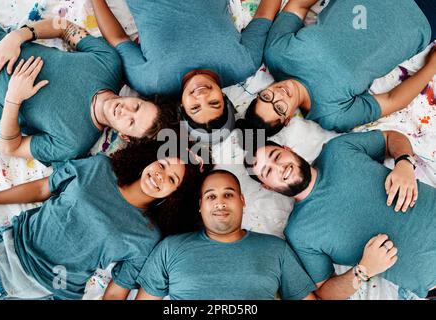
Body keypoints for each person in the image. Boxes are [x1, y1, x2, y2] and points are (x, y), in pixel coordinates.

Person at [0, 140, 209, 300]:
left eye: (172, 178)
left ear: (175, 196)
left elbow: (115, 292)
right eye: (162, 164)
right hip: (5, 254)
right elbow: (42, 187)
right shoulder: (100, 167)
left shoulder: (148, 237)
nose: (160, 175)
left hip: (50, 291)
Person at [245, 130, 436, 299]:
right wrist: (363, 271)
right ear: (267, 186)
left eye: (276, 156)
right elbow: (325, 292)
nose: (279, 167)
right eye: (267, 171)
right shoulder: (299, 233)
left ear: (289, 149)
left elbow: (389, 138)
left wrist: (404, 162)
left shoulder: (338, 149)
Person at [0, 19, 177, 164]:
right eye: (136, 106)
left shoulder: (73, 143)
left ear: (125, 136)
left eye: (131, 122)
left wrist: (13, 98)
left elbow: (11, 147)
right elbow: (64, 27)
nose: (124, 110)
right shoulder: (109, 63)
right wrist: (17, 36)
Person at [91, 0, 282, 142]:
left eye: (195, 107)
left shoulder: (151, 81)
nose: (201, 95)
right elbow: (264, 15)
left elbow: (117, 39)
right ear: (225, 98)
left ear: (182, 107)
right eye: (213, 103)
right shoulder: (243, 64)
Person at [244, 0, 436, 135]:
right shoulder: (331, 115)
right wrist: (432, 65)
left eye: (266, 97)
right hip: (419, 19)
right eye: (279, 108)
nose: (279, 94)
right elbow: (392, 100)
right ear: (287, 120)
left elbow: (298, 6)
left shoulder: (276, 54)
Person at [128, 170, 316, 300]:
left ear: (242, 201)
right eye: (211, 196)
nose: (220, 203)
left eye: (228, 195)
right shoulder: (170, 248)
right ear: (200, 206)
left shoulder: (276, 249)